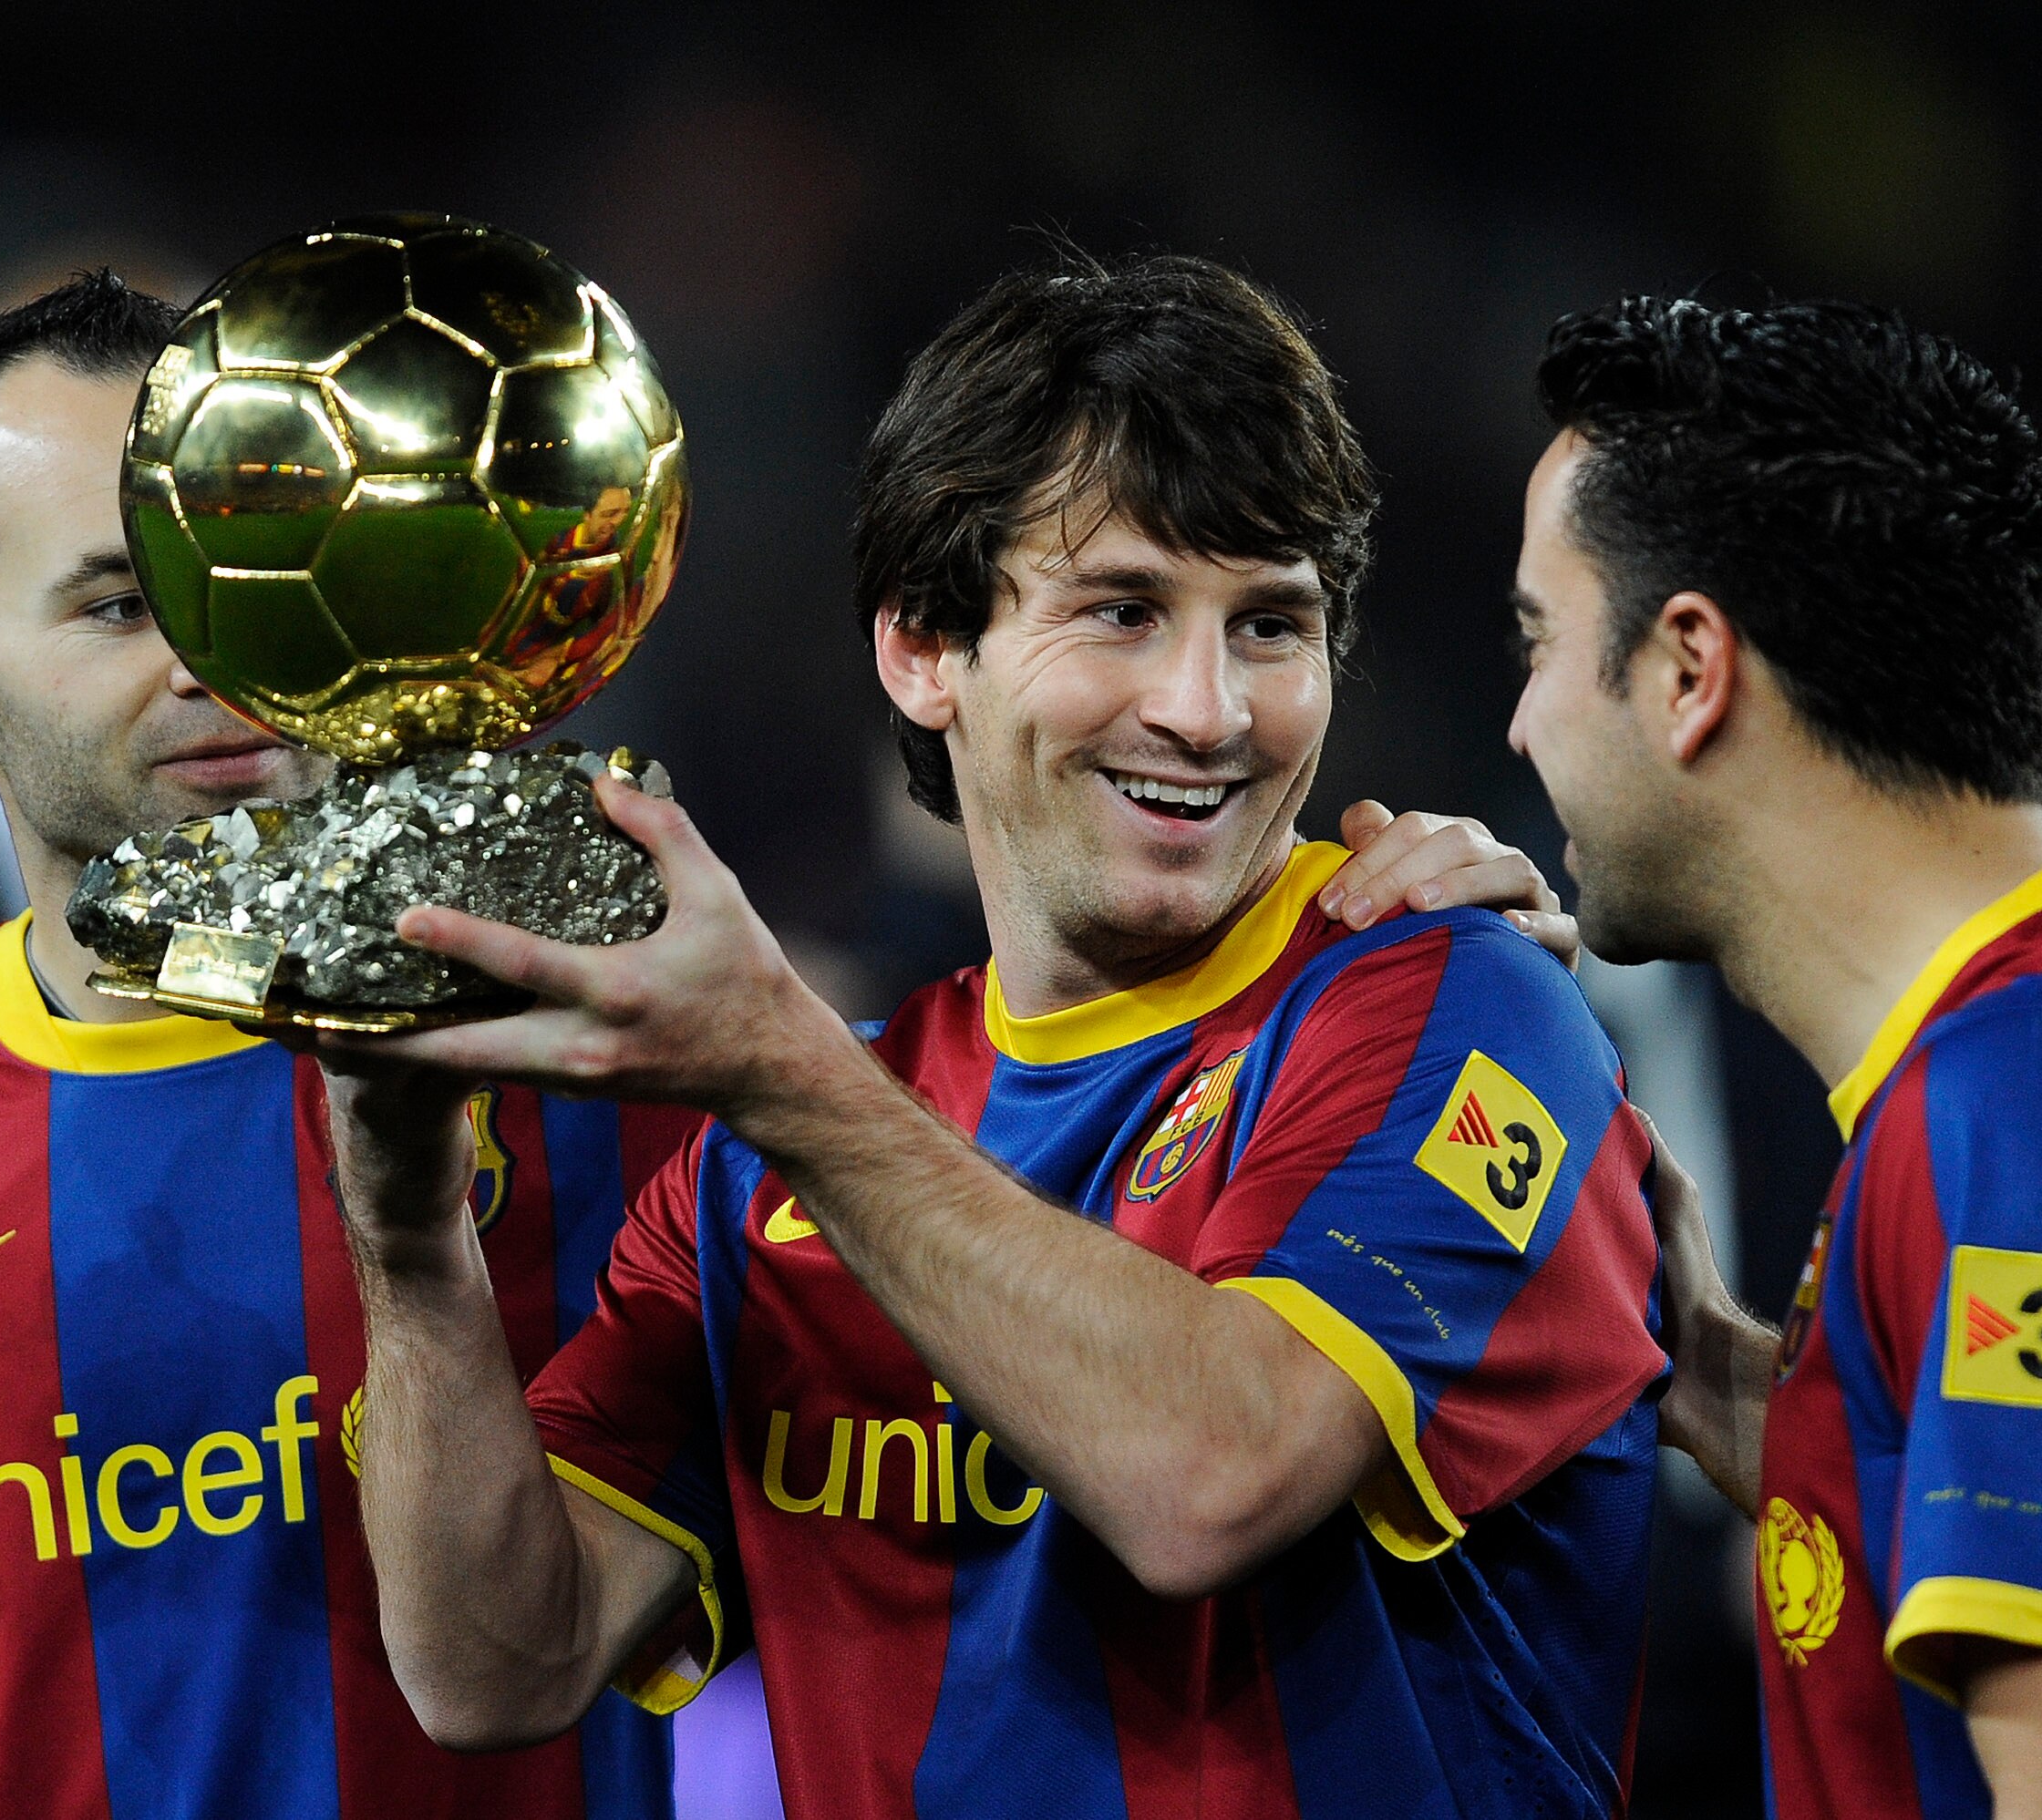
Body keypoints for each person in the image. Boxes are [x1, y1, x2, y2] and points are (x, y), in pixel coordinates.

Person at [0, 269, 1542, 1820]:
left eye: (247, 568)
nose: (213, 656)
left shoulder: (637, 1042)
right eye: (128, 601)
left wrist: (1372, 915)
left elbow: (1031, 1195)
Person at [319, 252, 1666, 1819]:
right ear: (922, 648)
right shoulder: (764, 1181)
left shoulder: (1447, 996)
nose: (1208, 710)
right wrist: (410, 1243)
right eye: (1123, 610)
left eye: (1270, 627)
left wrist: (782, 1071)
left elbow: (1217, 1475)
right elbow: (499, 1663)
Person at [1503, 295, 2042, 1817]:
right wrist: (1709, 1367)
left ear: (1691, 667)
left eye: (1539, 637)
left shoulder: (2036, 1118)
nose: (1516, 721)